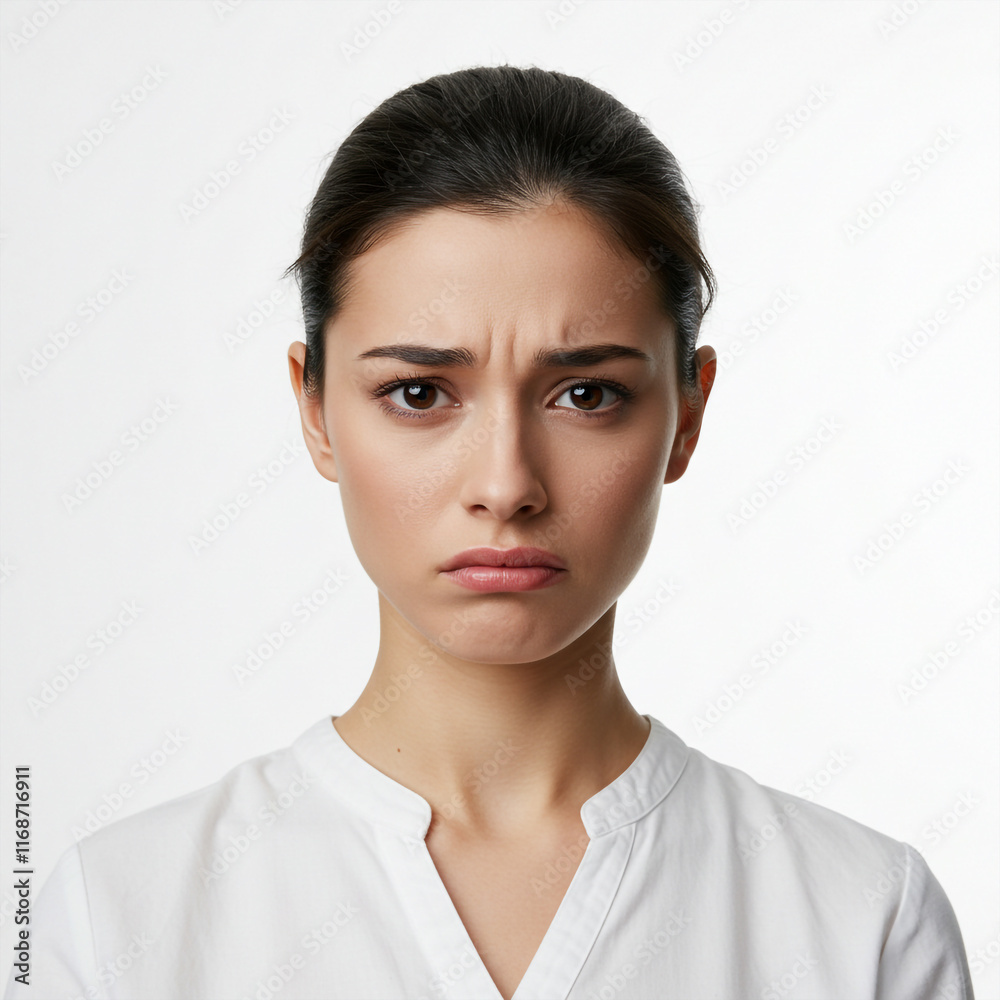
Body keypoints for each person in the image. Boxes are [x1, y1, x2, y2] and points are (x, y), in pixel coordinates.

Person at [5, 64, 974, 1000]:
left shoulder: (863, 924)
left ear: (687, 414)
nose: (506, 486)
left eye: (585, 394)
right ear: (314, 410)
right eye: (419, 393)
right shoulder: (118, 921)